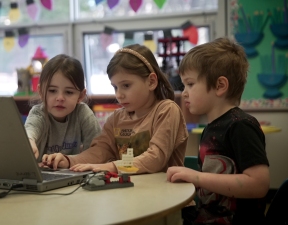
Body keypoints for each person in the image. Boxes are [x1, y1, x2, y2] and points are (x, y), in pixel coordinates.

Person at [166, 37, 270, 224]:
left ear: (220, 86)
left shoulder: (240, 126)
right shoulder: (211, 128)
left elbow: (259, 185)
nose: (185, 93)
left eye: (190, 84)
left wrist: (197, 177)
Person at [42, 44, 189, 174]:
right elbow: (99, 152)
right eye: (115, 87)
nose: (119, 94)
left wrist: (112, 167)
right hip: (131, 198)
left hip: (169, 199)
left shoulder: (167, 110)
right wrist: (68, 161)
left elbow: (155, 158)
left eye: (126, 85)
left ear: (151, 82)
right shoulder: (116, 119)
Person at [25, 54, 101, 162]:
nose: (60, 98)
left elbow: (98, 150)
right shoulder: (38, 113)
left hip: (73, 173)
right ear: (41, 91)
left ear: (80, 96)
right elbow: (30, 131)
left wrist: (68, 160)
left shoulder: (83, 113)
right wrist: (29, 142)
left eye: (69, 92)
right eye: (52, 91)